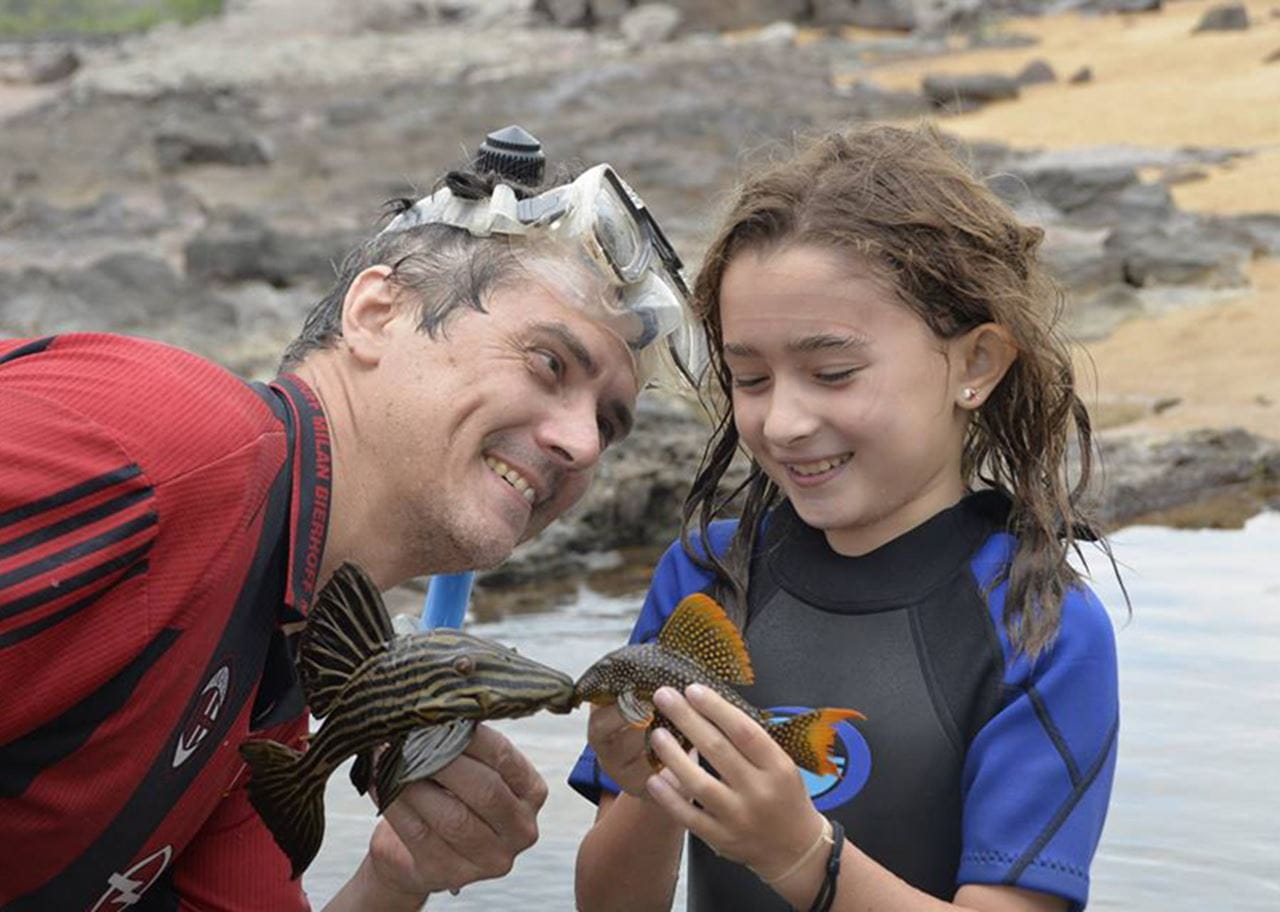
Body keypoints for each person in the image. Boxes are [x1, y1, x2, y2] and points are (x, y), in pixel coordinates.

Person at [0, 127, 691, 910]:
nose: (580, 442)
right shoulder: (168, 453)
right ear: (376, 311)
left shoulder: (273, 668)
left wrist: (396, 878)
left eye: (609, 422)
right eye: (548, 363)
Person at [571, 123, 1121, 912]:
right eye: (750, 378)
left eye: (832, 372)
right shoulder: (706, 576)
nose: (784, 421)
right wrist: (653, 790)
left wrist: (798, 855)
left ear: (976, 364)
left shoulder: (1040, 625)